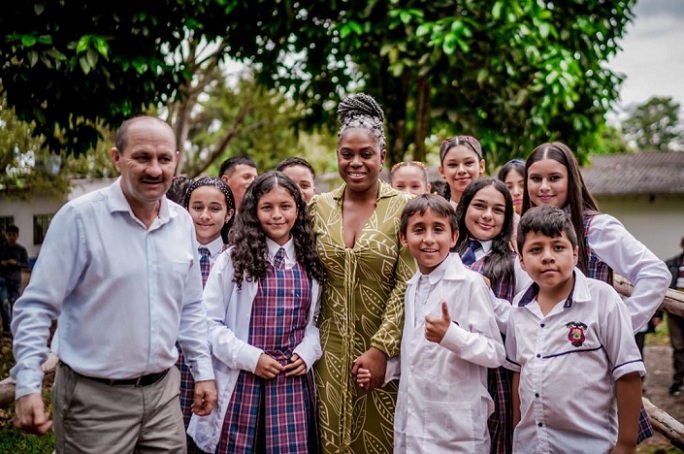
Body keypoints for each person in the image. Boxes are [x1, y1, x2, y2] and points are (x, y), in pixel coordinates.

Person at [10, 115, 217, 453]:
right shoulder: (78, 219)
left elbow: (190, 306)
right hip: (94, 402)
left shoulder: (182, 222)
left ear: (176, 161)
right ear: (117, 158)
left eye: (164, 158)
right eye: (142, 157)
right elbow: (36, 307)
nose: (154, 169)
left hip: (164, 396)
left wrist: (203, 371)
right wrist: (28, 386)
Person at [521, 141, 670, 443]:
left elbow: (654, 272)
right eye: (535, 179)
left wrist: (620, 327)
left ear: (571, 179)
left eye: (554, 178)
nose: (544, 187)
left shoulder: (595, 228)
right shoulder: (524, 229)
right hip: (543, 379)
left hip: (590, 376)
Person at [188, 171, 327, 453]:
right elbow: (209, 323)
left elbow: (315, 322)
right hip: (243, 383)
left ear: (298, 210)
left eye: (285, 206)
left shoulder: (310, 260)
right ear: (254, 211)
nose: (277, 215)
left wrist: (308, 351)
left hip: (292, 386)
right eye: (267, 207)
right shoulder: (233, 260)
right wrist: (252, 358)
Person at [308, 92, 415, 453]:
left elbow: (408, 284)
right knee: (327, 440)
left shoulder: (405, 209)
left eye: (366, 154)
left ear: (382, 157)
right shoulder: (317, 208)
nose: (356, 163)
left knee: (380, 439)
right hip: (325, 354)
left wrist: (382, 350)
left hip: (385, 357)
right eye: (347, 154)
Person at [505, 205, 645, 453]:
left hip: (589, 446)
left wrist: (625, 444)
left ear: (575, 253)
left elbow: (628, 374)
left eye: (558, 247)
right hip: (531, 446)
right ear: (522, 261)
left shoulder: (602, 299)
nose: (548, 256)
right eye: (536, 249)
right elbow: (519, 372)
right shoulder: (519, 307)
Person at [393, 194, 504, 453]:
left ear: (454, 238)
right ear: (404, 239)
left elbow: (495, 352)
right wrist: (389, 370)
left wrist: (451, 335)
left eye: (438, 229)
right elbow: (418, 355)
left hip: (457, 431)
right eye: (419, 230)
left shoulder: (470, 283)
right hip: (413, 427)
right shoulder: (412, 287)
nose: (429, 239)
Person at [454, 178, 532, 454]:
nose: (488, 215)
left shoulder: (515, 263)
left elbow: (524, 322)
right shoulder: (445, 254)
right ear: (463, 209)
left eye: (498, 210)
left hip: (493, 372)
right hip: (448, 368)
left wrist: (486, 298)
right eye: (480, 206)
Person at [177, 176, 235, 452]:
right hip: (175, 364)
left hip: (218, 364)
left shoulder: (237, 260)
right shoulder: (174, 254)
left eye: (214, 208)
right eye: (197, 207)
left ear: (229, 214)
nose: (204, 216)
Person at [438, 135, 486, 209]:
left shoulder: (493, 210)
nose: (461, 170)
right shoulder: (437, 213)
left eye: (468, 163)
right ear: (442, 171)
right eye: (453, 165)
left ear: (481, 166)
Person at [0, 225, 29, 337]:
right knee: (4, 302)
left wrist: (16, 263)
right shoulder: (1, 249)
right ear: (6, 235)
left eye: (14, 234)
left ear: (17, 236)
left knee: (16, 303)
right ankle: (7, 328)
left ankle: (16, 327)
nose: (11, 237)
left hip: (15, 280)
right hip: (2, 279)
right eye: (9, 234)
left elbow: (26, 264)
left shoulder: (21, 250)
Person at [666, 233, 684, 396]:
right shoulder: (672, 264)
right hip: (674, 311)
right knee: (678, 346)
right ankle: (678, 381)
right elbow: (662, 289)